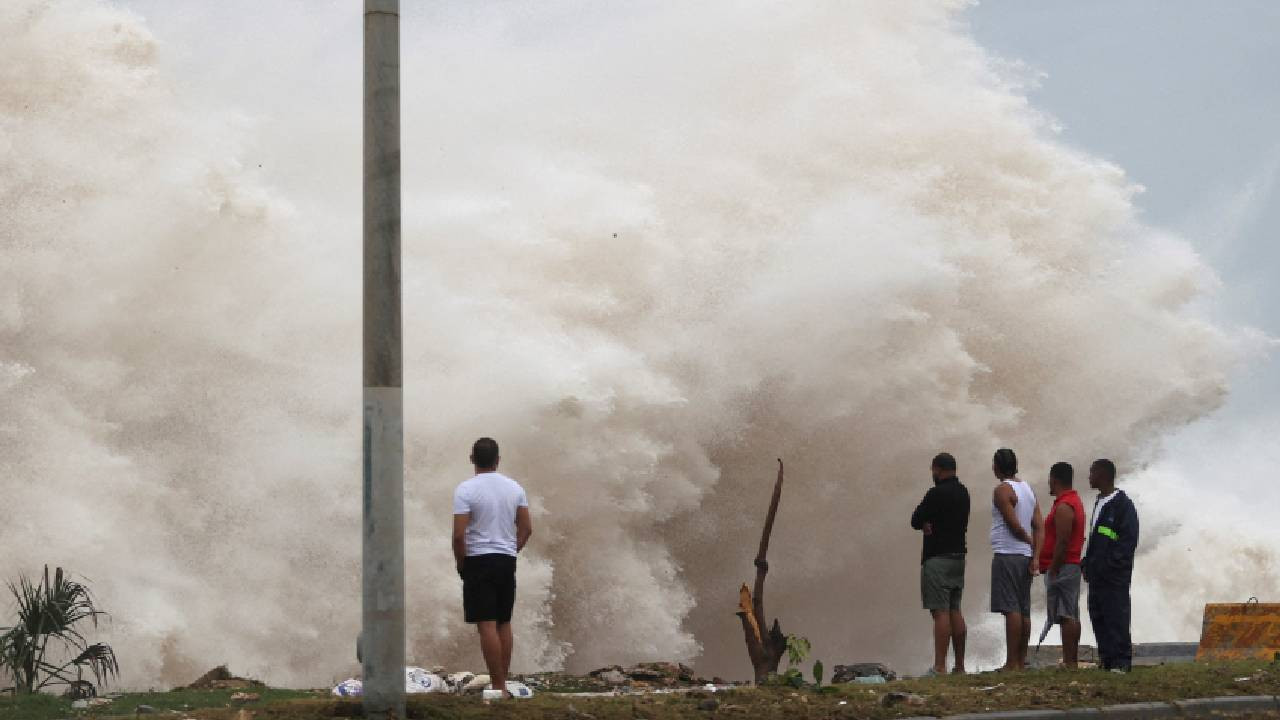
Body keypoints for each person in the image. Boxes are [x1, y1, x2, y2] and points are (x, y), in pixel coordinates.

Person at [452, 437, 534, 697]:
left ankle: (498, 686)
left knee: (486, 624)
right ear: (498, 460)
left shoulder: (466, 490)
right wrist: (512, 549)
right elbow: (526, 528)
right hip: (505, 559)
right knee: (504, 622)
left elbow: (458, 535)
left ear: (472, 459)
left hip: (478, 559)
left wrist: (461, 562)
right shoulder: (514, 488)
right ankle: (502, 683)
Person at [910, 453, 971, 675]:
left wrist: (927, 520)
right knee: (955, 609)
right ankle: (960, 666)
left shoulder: (936, 494)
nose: (932, 475)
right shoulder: (964, 492)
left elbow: (915, 520)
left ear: (938, 469)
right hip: (958, 558)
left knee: (940, 613)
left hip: (937, 558)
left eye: (933, 471)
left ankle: (940, 666)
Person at [989, 448, 1043, 672]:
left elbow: (1014, 524)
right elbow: (1040, 525)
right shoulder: (1027, 489)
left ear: (999, 466)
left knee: (1011, 609)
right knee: (1023, 609)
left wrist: (1028, 541)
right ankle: (1020, 661)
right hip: (1024, 556)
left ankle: (1012, 662)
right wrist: (1036, 556)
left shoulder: (1002, 490)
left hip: (1008, 553)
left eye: (994, 464)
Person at [1083, 458, 1139, 673]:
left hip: (1114, 576)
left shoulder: (1123, 505)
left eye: (1092, 472)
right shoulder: (1100, 502)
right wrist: (1087, 563)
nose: (1089, 477)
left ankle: (1122, 663)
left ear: (1103, 475)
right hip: (1097, 575)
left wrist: (1110, 565)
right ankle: (1107, 660)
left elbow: (1127, 541)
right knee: (1099, 616)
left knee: (1116, 616)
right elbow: (1096, 538)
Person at [1036, 462, 1086, 667]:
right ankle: (1070, 661)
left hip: (1064, 566)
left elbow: (1062, 541)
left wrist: (1054, 567)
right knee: (1070, 613)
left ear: (1054, 479)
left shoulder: (1065, 505)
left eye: (1050, 479)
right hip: (1068, 566)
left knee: (1066, 615)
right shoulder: (1072, 501)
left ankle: (1070, 662)